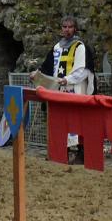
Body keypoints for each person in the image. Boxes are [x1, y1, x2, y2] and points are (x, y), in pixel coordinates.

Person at [36, 16, 93, 161]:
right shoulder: (57, 47)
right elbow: (48, 67)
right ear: (61, 29)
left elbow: (84, 70)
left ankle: (81, 154)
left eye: (70, 27)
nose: (67, 30)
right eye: (64, 27)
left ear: (75, 29)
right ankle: (61, 152)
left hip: (76, 90)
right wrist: (37, 75)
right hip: (59, 91)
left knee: (76, 121)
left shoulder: (80, 47)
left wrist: (67, 80)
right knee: (60, 120)